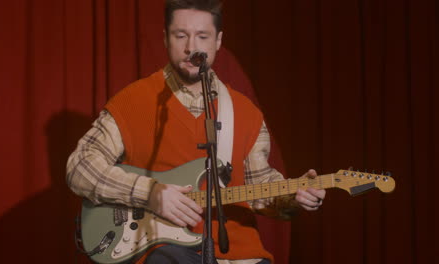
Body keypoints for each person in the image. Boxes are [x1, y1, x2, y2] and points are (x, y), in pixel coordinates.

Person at [66, 0, 326, 263]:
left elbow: (259, 187)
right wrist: (150, 194)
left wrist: (294, 196)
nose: (192, 47)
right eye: (181, 36)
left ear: (218, 41)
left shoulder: (246, 112)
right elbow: (80, 167)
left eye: (203, 36)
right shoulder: (132, 101)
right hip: (163, 251)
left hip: (238, 253)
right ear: (165, 39)